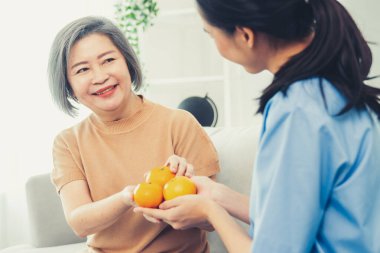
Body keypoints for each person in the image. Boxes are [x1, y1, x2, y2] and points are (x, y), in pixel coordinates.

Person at [134, 0, 380, 252]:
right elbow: (294, 220)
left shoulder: (297, 109)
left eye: (211, 34)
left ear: (245, 35)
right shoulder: (332, 88)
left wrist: (210, 212)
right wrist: (216, 195)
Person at [47, 16, 220, 253]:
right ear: (69, 87)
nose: (99, 77)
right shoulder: (67, 143)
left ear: (128, 62)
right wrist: (127, 197)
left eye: (108, 60)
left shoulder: (179, 123)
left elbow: (212, 219)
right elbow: (79, 222)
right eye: (83, 69)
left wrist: (183, 188)